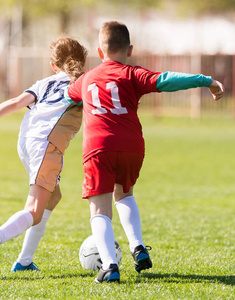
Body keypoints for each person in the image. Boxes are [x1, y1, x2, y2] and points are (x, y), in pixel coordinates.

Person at [65, 20, 224, 283]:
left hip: (98, 147)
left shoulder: (86, 79)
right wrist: (206, 80)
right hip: (132, 147)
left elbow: (67, 96)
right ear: (129, 50)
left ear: (100, 51)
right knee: (124, 194)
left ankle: (109, 266)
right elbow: (167, 80)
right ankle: (137, 247)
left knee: (99, 210)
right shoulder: (132, 74)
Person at [0, 36, 88, 277]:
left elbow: (16, 103)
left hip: (26, 141)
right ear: (82, 61)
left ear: (52, 65)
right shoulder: (82, 84)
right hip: (46, 145)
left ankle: (24, 261)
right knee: (35, 210)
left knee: (53, 196)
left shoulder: (45, 83)